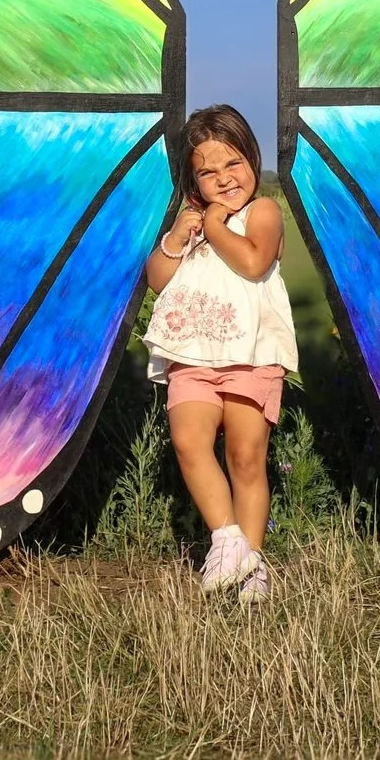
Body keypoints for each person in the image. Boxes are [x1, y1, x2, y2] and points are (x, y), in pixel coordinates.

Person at [144, 104, 298, 604]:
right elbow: (157, 279)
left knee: (246, 458)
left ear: (252, 159)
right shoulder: (191, 222)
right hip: (192, 356)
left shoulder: (263, 212)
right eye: (207, 172)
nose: (223, 179)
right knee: (190, 444)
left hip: (251, 356)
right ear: (192, 178)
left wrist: (214, 226)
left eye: (232, 163)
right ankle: (229, 541)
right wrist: (175, 238)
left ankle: (252, 566)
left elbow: (254, 263)